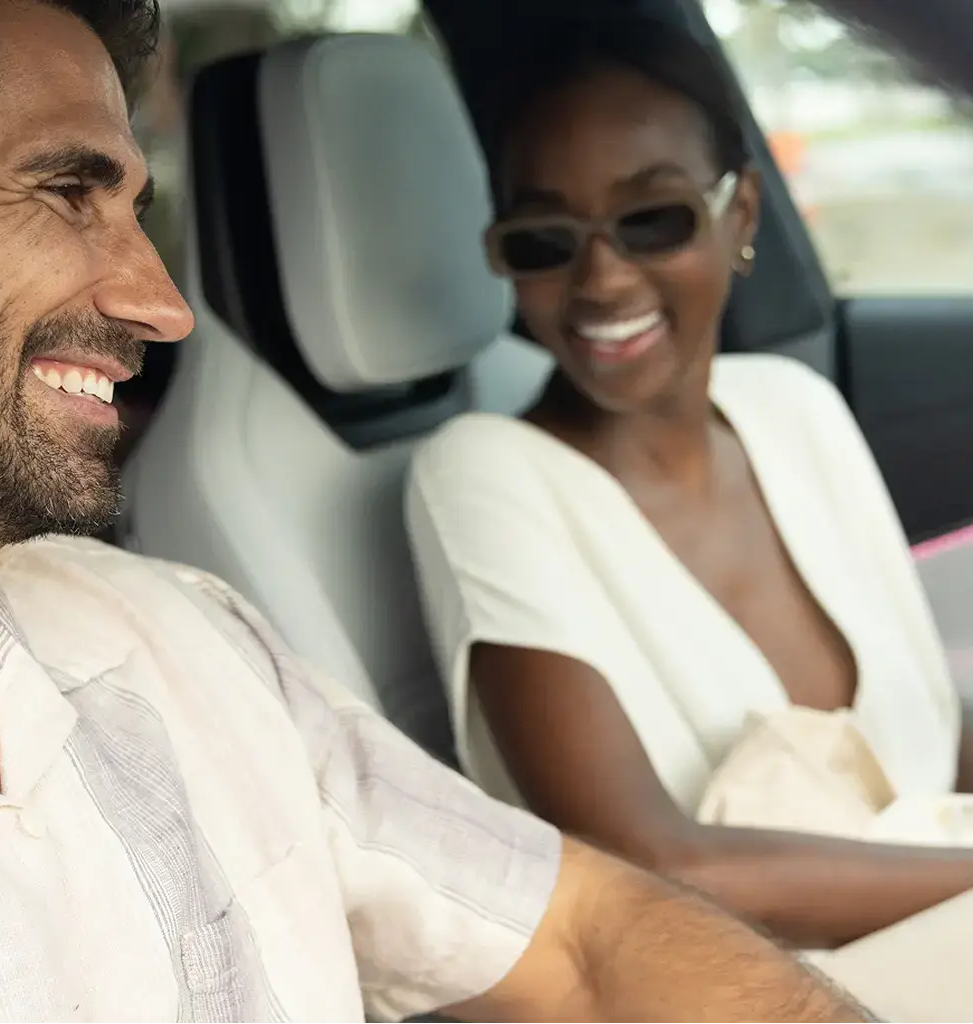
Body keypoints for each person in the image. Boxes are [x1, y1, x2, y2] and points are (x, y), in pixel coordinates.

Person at [0, 1, 874, 1021]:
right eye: (65, 192)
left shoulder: (181, 640)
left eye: (135, 210)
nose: (162, 304)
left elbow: (589, 942)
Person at [405, 6, 973, 983]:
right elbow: (646, 862)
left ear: (741, 213)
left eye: (652, 218)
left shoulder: (797, 409)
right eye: (544, 239)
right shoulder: (481, 473)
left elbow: (944, 747)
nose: (602, 276)